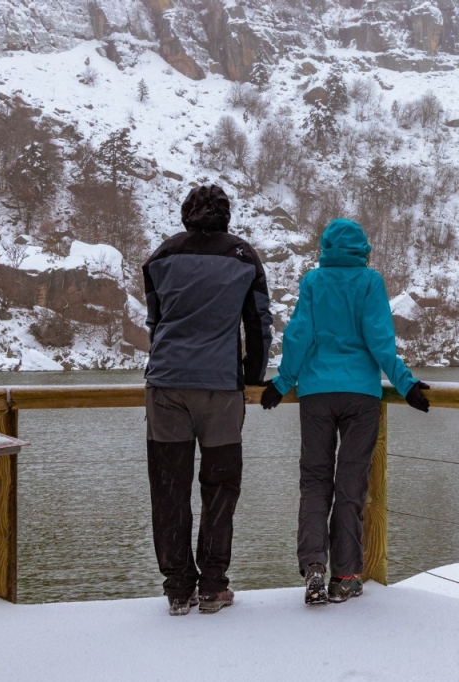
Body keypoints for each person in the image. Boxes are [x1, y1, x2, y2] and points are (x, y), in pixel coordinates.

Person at [260, 218, 429, 605]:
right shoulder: (369, 283)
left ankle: (314, 565)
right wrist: (406, 385)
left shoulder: (313, 282)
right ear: (363, 251)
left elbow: (299, 335)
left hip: (317, 394)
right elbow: (380, 341)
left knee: (315, 482)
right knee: (351, 485)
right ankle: (347, 576)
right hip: (360, 397)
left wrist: (283, 382)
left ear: (325, 248)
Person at [142, 184, 274, 616]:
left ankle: (178, 588)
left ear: (186, 215)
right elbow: (258, 325)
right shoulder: (242, 257)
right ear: (226, 215)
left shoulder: (161, 257)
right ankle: (213, 586)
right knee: (220, 487)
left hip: (166, 386)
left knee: (169, 488)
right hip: (219, 388)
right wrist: (250, 380)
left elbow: (155, 321)